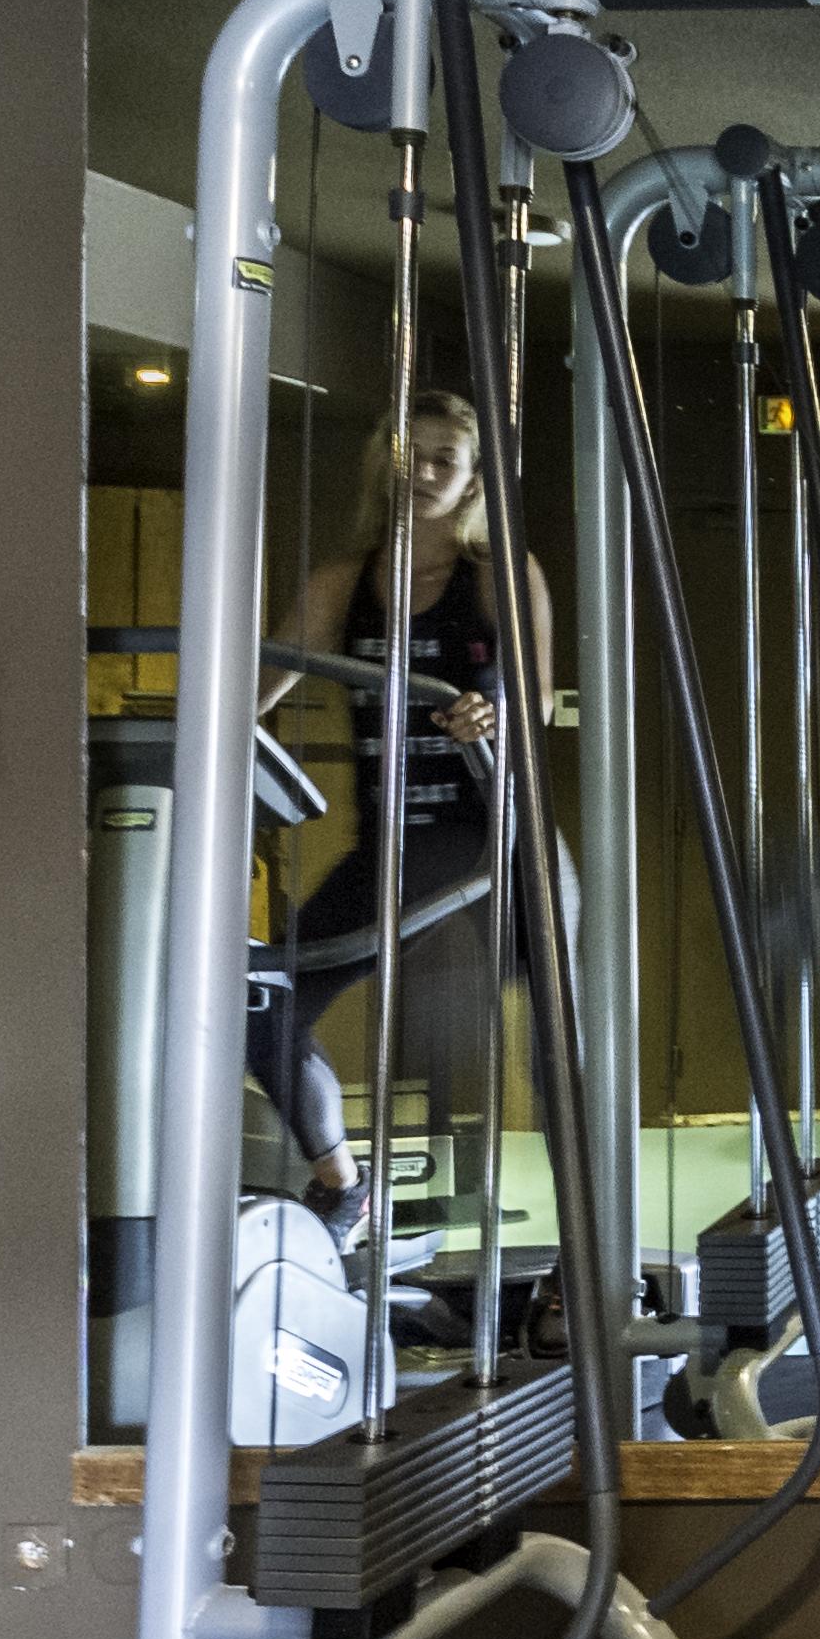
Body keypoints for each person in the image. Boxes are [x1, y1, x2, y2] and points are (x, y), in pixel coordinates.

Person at [255, 392, 530, 1229]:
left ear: (473, 478)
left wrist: (494, 714)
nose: (427, 470)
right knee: (262, 1006)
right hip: (393, 846)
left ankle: (588, 1264)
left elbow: (535, 697)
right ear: (386, 462)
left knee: (560, 1046)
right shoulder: (347, 581)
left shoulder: (496, 579)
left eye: (447, 456)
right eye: (412, 452)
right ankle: (346, 1184)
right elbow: (250, 693)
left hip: (493, 839)